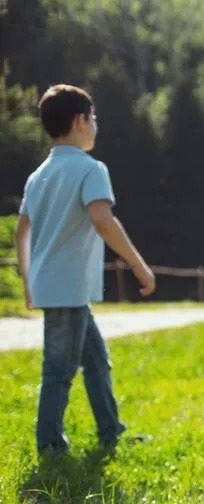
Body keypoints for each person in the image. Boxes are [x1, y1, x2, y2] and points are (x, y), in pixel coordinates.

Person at [15, 84, 155, 457]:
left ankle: (111, 430)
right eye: (93, 118)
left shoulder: (38, 175)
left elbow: (21, 232)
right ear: (80, 120)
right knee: (59, 370)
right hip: (69, 287)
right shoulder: (91, 169)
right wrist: (139, 265)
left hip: (59, 287)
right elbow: (103, 221)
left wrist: (29, 281)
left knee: (95, 360)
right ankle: (49, 445)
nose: (96, 126)